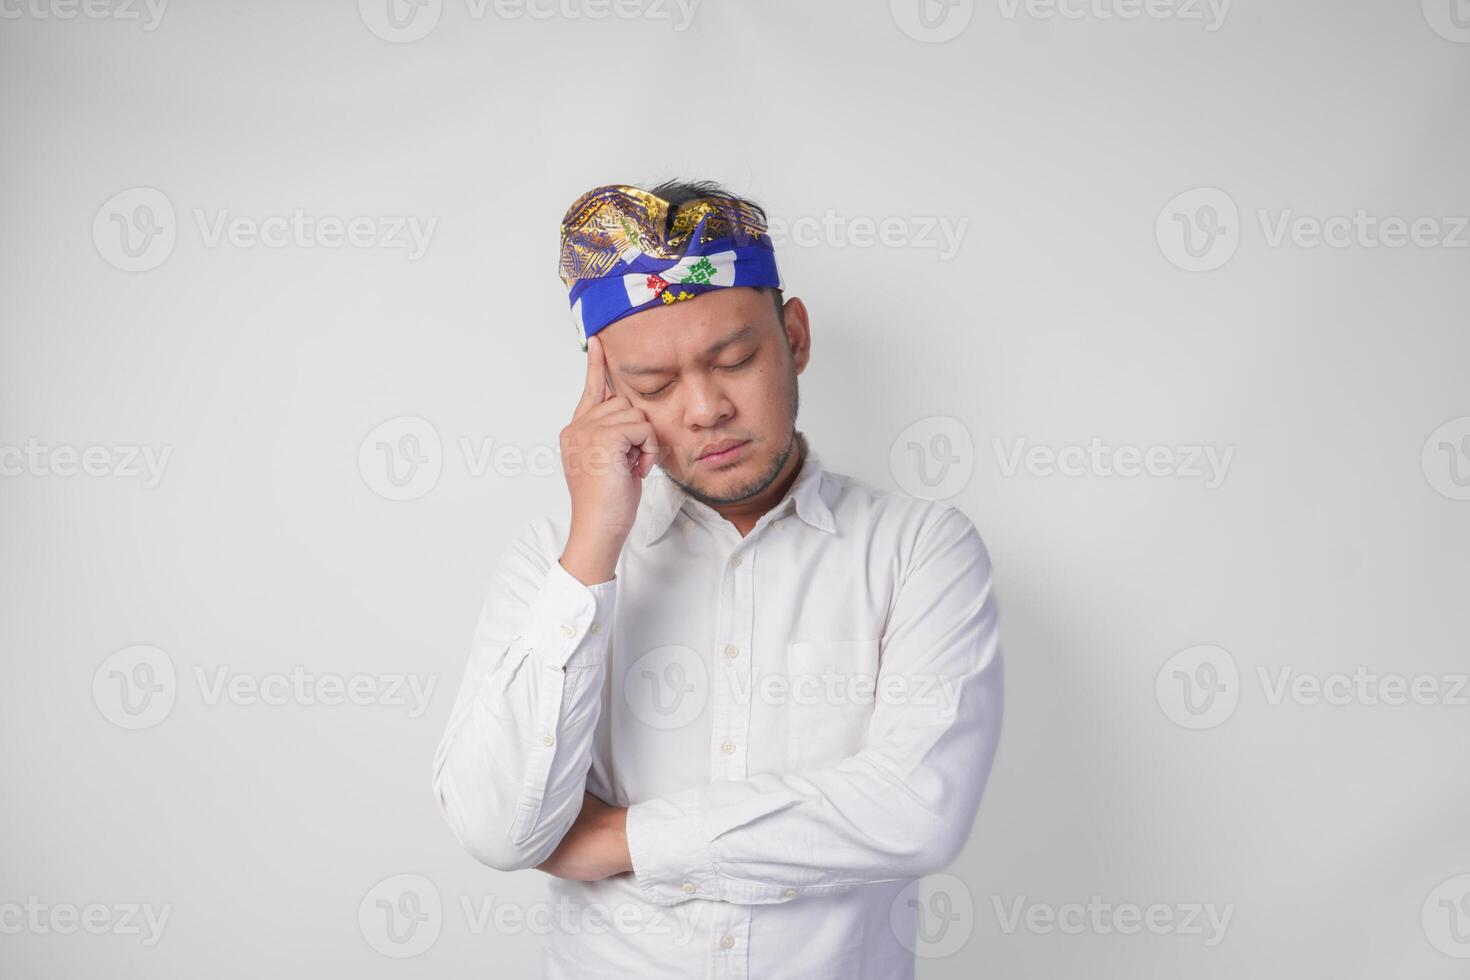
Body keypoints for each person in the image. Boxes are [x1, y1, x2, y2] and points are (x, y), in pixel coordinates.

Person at [432, 179, 1004, 979]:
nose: (704, 409)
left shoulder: (918, 550)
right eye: (655, 387)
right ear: (605, 392)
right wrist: (596, 545)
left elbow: (919, 811)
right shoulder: (551, 562)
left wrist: (624, 840)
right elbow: (499, 829)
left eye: (734, 359)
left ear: (794, 337)